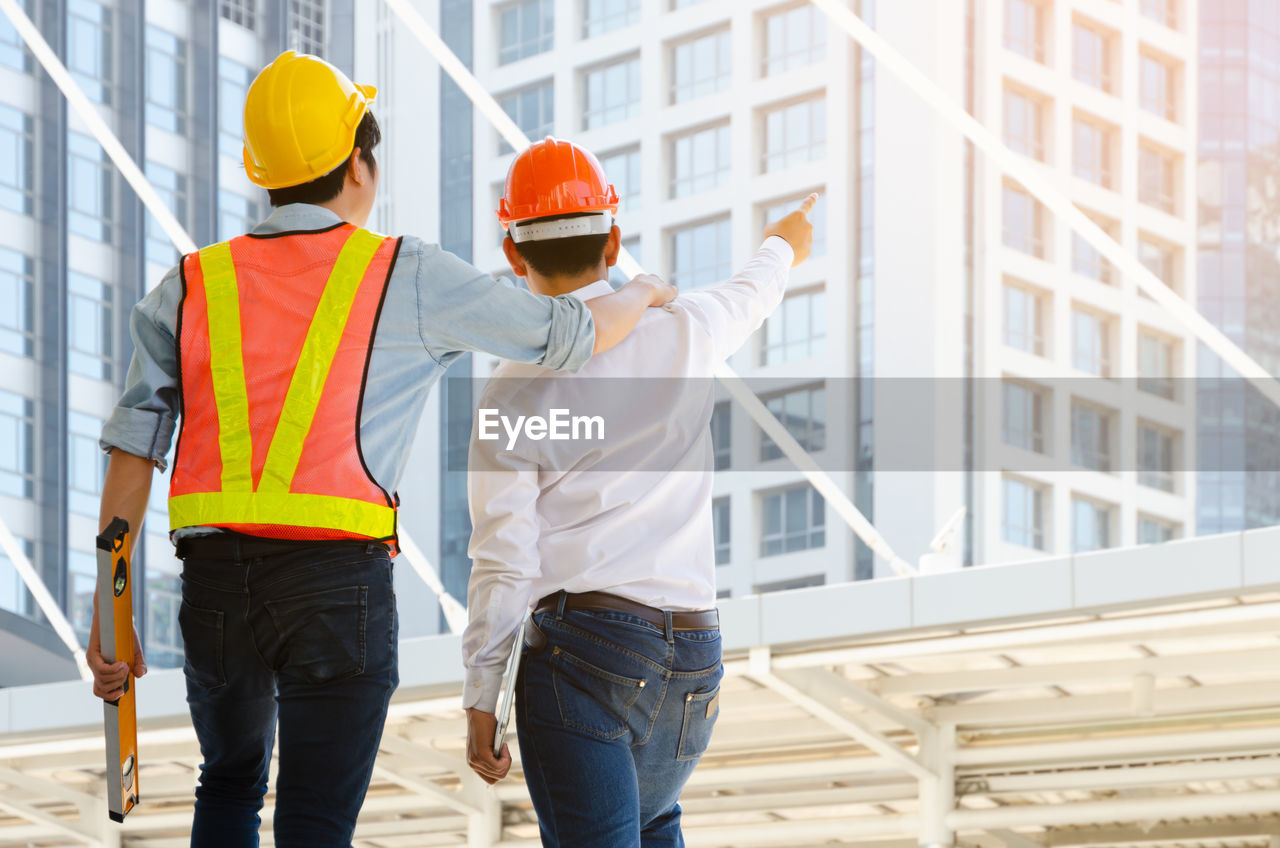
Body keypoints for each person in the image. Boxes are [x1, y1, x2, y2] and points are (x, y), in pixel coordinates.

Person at [86, 53, 675, 848]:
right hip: (338, 590)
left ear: (263, 173)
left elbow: (134, 449)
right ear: (359, 163)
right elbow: (567, 336)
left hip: (216, 586)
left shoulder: (192, 284)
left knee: (226, 784)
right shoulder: (404, 272)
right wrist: (640, 291)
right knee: (315, 821)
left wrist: (109, 610)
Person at [462, 136, 815, 846]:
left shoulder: (511, 389)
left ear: (513, 254)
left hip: (585, 654)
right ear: (614, 237)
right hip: (694, 656)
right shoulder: (685, 330)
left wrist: (482, 696)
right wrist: (783, 241)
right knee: (655, 825)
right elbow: (755, 289)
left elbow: (504, 559)